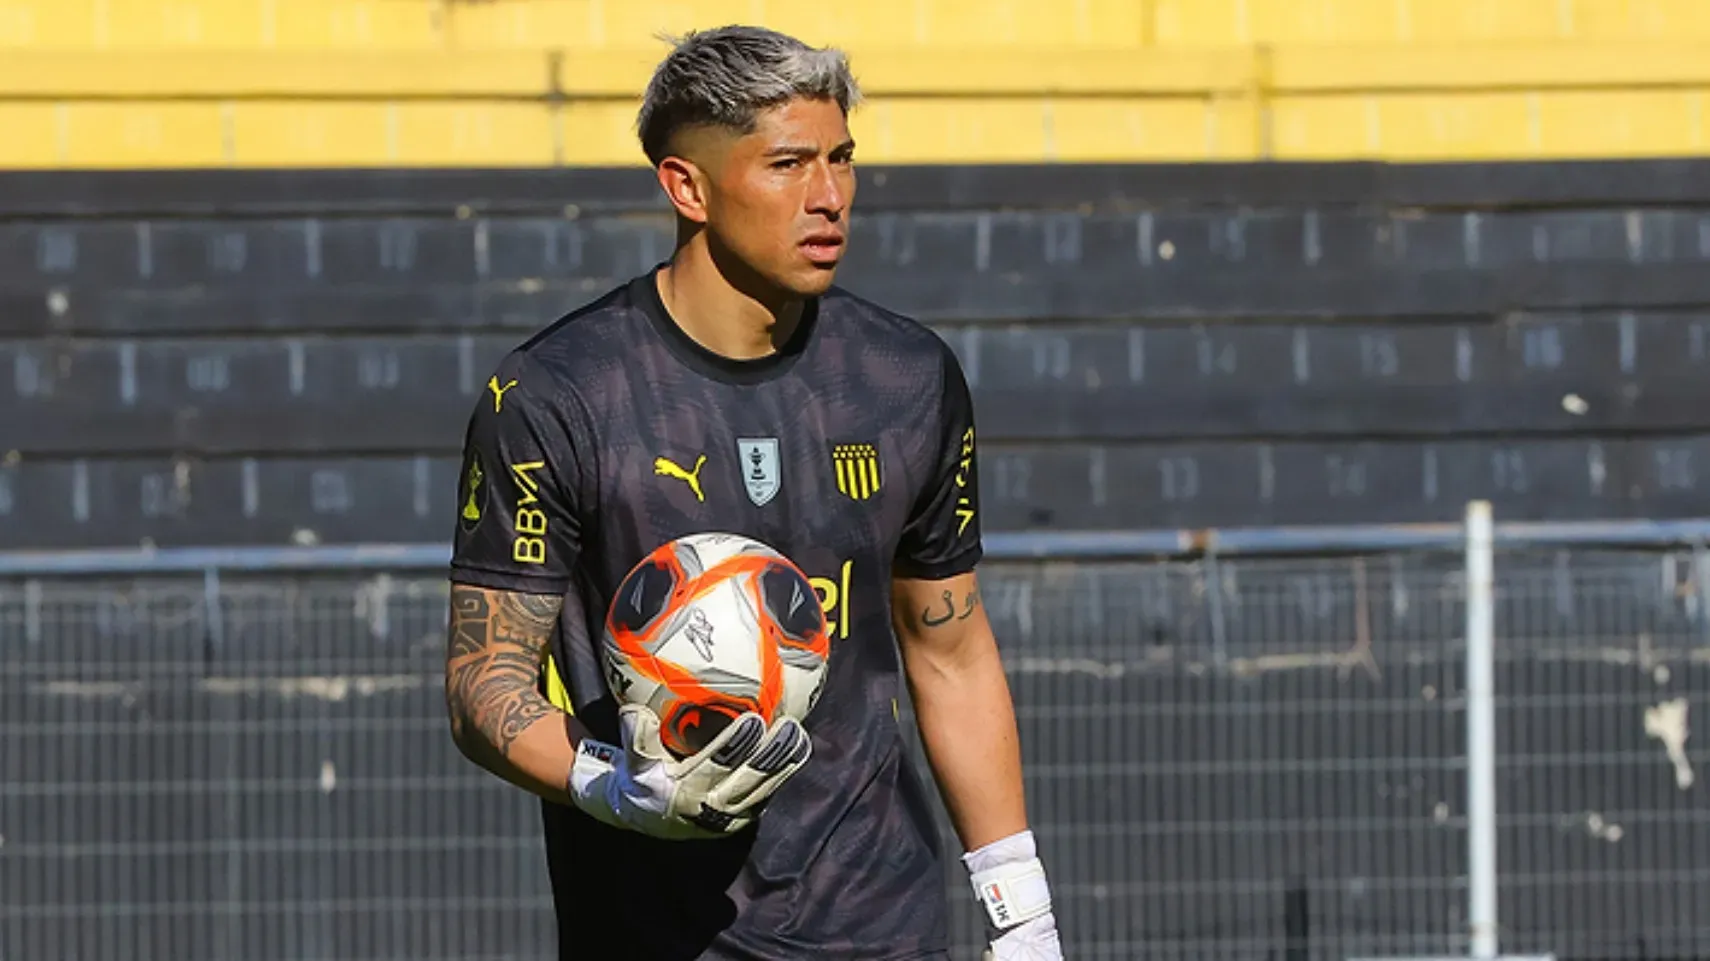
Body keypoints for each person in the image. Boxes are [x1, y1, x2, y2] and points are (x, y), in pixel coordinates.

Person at [443, 24, 1063, 961]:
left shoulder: (906, 377)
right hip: (657, 933)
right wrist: (617, 786)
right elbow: (481, 682)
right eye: (787, 164)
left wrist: (1023, 914)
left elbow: (951, 653)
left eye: (841, 159)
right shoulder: (556, 394)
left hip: (883, 925)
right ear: (687, 187)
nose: (830, 197)